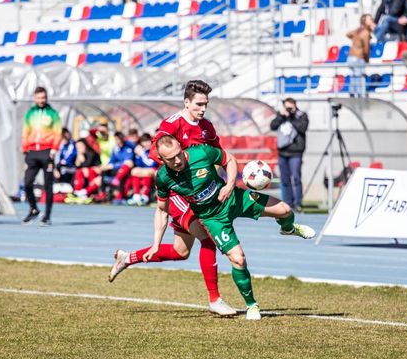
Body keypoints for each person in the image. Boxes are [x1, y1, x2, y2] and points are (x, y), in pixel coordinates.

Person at [110, 136, 316, 320]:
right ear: (162, 160)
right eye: (171, 159)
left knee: (284, 210)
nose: (177, 160)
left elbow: (230, 160)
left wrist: (229, 185)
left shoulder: (201, 152)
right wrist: (156, 243)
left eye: (178, 154)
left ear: (181, 148)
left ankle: (288, 228)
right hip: (213, 218)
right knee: (238, 258)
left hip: (234, 198)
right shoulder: (163, 177)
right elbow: (162, 211)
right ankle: (252, 305)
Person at [108, 80, 236, 317]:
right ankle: (215, 299)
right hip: (178, 194)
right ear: (186, 102)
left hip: (198, 192)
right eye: (198, 104)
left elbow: (216, 156)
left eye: (206, 104)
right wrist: (180, 168)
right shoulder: (171, 124)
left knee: (180, 251)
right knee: (208, 239)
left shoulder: (207, 126)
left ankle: (128, 258)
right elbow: (156, 152)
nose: (203, 109)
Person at [21, 87, 62, 226]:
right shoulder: (30, 113)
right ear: (34, 98)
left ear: (46, 98)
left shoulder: (52, 113)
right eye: (38, 98)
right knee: (27, 182)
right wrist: (25, 149)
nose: (41, 100)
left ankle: (47, 216)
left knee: (48, 185)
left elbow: (57, 132)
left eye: (43, 97)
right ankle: (34, 209)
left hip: (47, 151)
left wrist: (54, 149)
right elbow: (25, 132)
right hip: (32, 152)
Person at [270, 98, 309, 213]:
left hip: (296, 152)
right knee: (285, 179)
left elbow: (302, 128)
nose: (288, 109)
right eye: (286, 107)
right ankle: (288, 204)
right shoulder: (281, 116)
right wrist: (281, 116)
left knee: (296, 178)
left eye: (290, 107)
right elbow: (273, 126)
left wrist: (291, 117)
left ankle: (297, 204)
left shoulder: (301, 116)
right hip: (282, 153)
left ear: (295, 106)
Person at [66, 138, 101, 204]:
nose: (79, 148)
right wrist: (79, 155)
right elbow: (77, 165)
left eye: (80, 146)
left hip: (93, 174)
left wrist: (82, 158)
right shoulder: (79, 154)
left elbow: (88, 165)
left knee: (84, 171)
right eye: (77, 147)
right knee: (78, 172)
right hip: (83, 175)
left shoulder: (91, 153)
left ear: (85, 145)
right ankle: (77, 192)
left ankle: (83, 193)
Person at [346, 14, 374, 98]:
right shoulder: (365, 33)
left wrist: (356, 38)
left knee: (353, 77)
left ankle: (352, 94)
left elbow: (348, 34)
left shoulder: (358, 31)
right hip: (358, 57)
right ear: (365, 21)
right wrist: (367, 59)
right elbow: (366, 48)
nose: (372, 20)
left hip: (351, 56)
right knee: (360, 77)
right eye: (370, 19)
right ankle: (361, 96)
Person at [127, 133, 157, 206]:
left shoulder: (154, 150)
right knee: (135, 172)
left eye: (147, 141)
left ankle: (144, 197)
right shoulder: (142, 151)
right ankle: (136, 196)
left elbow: (151, 164)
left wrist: (142, 154)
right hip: (144, 171)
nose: (146, 144)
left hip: (154, 170)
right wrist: (138, 155)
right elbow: (139, 164)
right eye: (143, 142)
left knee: (146, 173)